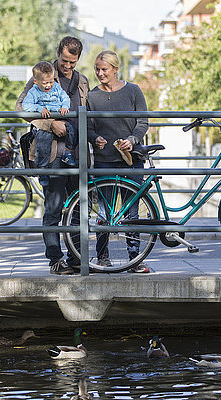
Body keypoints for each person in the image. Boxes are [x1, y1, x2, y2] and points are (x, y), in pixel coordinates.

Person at [15, 36, 89, 275]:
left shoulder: (82, 82)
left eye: (73, 63)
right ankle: (55, 260)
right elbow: (20, 108)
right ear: (58, 52)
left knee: (80, 208)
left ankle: (77, 257)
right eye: (65, 60)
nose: (67, 66)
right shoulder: (42, 76)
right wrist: (49, 124)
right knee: (54, 208)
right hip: (52, 154)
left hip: (76, 154)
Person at [86, 50, 150, 273]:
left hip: (131, 160)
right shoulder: (92, 97)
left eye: (104, 69)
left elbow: (143, 122)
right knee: (105, 212)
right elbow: (88, 127)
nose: (99, 73)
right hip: (105, 161)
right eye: (97, 69)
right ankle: (102, 256)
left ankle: (135, 258)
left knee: (132, 211)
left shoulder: (133, 91)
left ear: (115, 69)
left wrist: (132, 140)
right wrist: (95, 138)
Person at [22, 61, 78, 180]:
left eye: (51, 82)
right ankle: (42, 170)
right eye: (45, 83)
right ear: (36, 81)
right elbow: (26, 105)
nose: (48, 86)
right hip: (45, 123)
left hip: (61, 117)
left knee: (73, 130)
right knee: (43, 144)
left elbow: (65, 97)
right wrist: (39, 108)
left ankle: (68, 152)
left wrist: (64, 106)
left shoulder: (56, 87)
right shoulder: (33, 91)